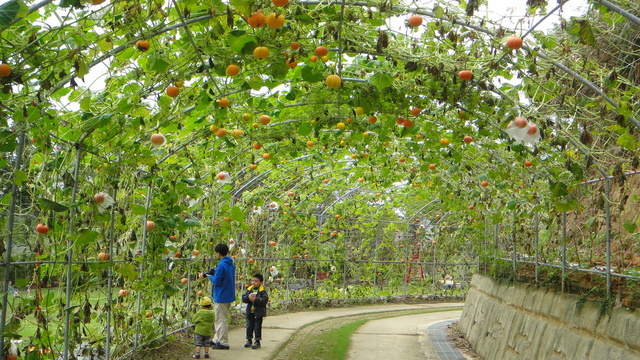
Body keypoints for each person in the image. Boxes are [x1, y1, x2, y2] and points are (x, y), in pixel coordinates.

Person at [200, 243, 235, 350]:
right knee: (220, 318)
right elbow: (224, 276)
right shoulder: (230, 263)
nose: (215, 254)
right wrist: (214, 272)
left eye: (216, 253)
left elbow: (217, 281)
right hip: (228, 294)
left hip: (221, 295)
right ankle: (217, 339)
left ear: (218, 253)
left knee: (220, 320)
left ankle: (223, 342)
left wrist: (209, 276)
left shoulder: (221, 265)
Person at [241, 273, 269, 349]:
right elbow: (243, 299)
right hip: (250, 312)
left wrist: (256, 299)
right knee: (249, 326)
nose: (253, 282)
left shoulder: (262, 291)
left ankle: (257, 341)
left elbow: (264, 300)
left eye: (256, 281)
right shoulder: (249, 290)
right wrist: (248, 297)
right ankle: (248, 339)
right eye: (252, 281)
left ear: (260, 282)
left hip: (258, 313)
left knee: (257, 327)